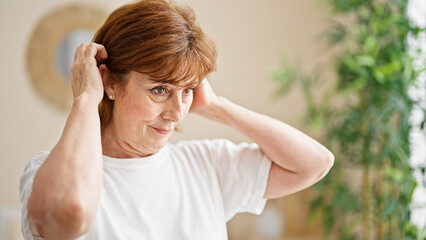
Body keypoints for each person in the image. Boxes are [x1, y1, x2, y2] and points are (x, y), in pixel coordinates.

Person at [19, 0, 334, 239]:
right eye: (159, 89)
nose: (177, 112)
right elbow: (68, 213)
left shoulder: (205, 164)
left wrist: (217, 107)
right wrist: (86, 99)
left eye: (188, 90)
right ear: (109, 82)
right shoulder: (50, 172)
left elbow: (315, 163)